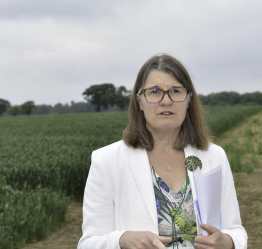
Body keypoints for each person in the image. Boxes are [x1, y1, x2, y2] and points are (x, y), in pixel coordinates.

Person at [78, 54, 247, 249]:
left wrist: (229, 242)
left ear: (188, 99)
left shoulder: (214, 156)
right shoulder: (106, 161)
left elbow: (236, 230)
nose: (166, 101)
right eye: (155, 91)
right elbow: (88, 243)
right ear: (140, 101)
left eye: (176, 91)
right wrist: (122, 240)